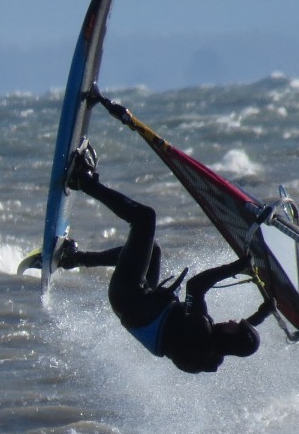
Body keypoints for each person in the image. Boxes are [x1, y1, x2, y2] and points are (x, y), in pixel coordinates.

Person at [49, 144, 274, 374]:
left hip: (129, 296)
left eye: (236, 326)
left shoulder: (201, 332)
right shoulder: (211, 349)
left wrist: (238, 266)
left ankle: (83, 181)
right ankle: (73, 258)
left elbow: (195, 287)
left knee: (145, 218)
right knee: (151, 250)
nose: (233, 321)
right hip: (140, 302)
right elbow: (237, 340)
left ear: (231, 339)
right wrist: (262, 314)